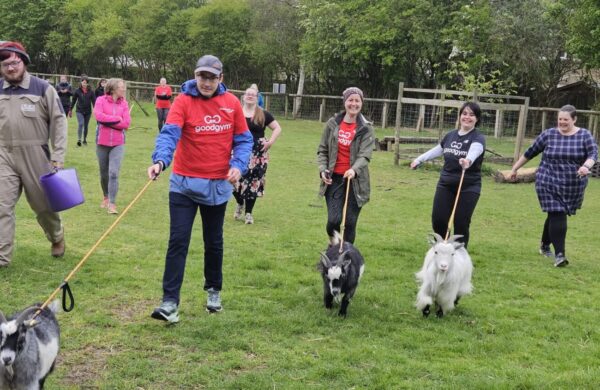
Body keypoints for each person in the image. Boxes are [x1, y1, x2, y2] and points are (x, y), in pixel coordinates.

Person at [147, 54, 252, 322]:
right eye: (202, 76)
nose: (206, 82)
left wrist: (239, 165)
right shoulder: (182, 101)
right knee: (178, 241)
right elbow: (169, 134)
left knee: (213, 242)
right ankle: (170, 303)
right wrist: (160, 160)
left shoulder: (231, 104)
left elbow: (243, 140)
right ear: (195, 76)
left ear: (221, 79)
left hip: (217, 187)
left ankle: (214, 290)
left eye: (212, 77)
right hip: (182, 184)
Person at [0, 41, 67, 267]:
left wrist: (58, 157)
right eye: (5, 64)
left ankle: (56, 237)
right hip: (3, 155)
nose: (10, 68)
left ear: (24, 62)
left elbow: (59, 123)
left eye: (14, 62)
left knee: (43, 206)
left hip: (36, 153)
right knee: (2, 206)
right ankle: (2, 258)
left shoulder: (42, 88)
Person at [510, 105, 597, 267]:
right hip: (547, 180)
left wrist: (586, 166)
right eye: (560, 119)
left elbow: (593, 153)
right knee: (558, 212)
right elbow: (531, 152)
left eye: (566, 119)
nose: (562, 122)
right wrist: (515, 168)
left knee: (554, 215)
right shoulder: (549, 134)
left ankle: (544, 245)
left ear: (574, 119)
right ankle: (560, 255)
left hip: (572, 184)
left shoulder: (584, 135)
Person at [410, 101, 486, 249]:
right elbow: (438, 150)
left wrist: (467, 161)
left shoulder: (478, 138)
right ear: (459, 116)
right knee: (438, 220)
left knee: (461, 222)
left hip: (468, 186)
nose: (467, 117)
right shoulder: (450, 136)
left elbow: (475, 151)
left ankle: (459, 253)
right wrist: (419, 159)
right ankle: (444, 246)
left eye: (472, 115)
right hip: (445, 184)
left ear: (477, 119)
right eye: (464, 114)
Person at [317, 87, 374, 245]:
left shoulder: (366, 128)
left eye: (357, 100)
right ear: (345, 102)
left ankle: (346, 256)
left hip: (356, 182)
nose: (353, 104)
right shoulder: (332, 124)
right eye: (350, 100)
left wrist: (354, 169)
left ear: (361, 103)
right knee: (333, 221)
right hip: (334, 179)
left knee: (349, 222)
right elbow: (322, 150)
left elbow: (365, 155)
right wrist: (323, 170)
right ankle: (333, 242)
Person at [232, 87, 282, 224]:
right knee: (232, 181)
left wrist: (270, 141)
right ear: (243, 97)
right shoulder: (236, 112)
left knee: (253, 183)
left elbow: (277, 128)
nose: (250, 96)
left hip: (257, 154)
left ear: (257, 98)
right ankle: (239, 202)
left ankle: (248, 213)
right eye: (248, 94)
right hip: (238, 151)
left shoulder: (263, 114)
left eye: (253, 95)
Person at [94, 78, 131, 215]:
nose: (124, 89)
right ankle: (105, 196)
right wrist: (117, 119)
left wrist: (108, 121)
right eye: (122, 87)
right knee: (104, 173)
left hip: (118, 143)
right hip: (102, 142)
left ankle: (112, 203)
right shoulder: (100, 100)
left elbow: (126, 124)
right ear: (114, 88)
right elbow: (98, 117)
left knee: (113, 173)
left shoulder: (124, 104)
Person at [70, 74, 95, 146]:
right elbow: (74, 100)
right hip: (79, 110)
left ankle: (84, 140)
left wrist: (95, 110)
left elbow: (94, 101)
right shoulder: (77, 91)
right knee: (81, 123)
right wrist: (70, 109)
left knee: (86, 126)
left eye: (85, 82)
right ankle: (79, 140)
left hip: (88, 111)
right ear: (81, 82)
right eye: (83, 82)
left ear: (87, 83)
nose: (84, 83)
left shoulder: (91, 91)